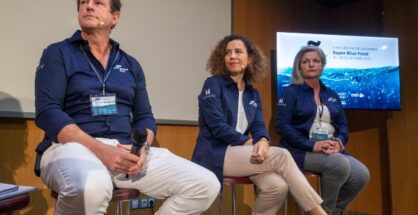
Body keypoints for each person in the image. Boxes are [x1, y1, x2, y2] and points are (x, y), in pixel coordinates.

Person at [34, 0, 220, 214]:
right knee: (92, 185)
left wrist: (142, 148)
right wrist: (101, 150)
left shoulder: (131, 65)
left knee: (204, 184)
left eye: (98, 3)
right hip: (70, 147)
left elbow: (145, 117)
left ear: (115, 17)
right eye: (83, 2)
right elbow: (48, 112)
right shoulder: (58, 53)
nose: (89, 6)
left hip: (122, 150)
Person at [191, 35, 326, 215]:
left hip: (245, 155)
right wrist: (251, 144)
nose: (232, 56)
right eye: (227, 53)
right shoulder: (213, 84)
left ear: (250, 59)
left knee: (277, 186)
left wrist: (262, 139)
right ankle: (318, 212)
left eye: (238, 52)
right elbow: (217, 126)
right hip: (216, 153)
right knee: (282, 155)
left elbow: (259, 125)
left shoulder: (253, 94)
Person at [275, 45, 370, 214]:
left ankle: (334, 210)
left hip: (331, 149)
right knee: (338, 164)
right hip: (299, 150)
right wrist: (313, 145)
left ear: (322, 65)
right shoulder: (290, 92)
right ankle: (321, 212)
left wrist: (339, 143)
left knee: (361, 174)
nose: (311, 65)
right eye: (305, 62)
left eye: (316, 61)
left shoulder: (331, 93)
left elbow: (343, 126)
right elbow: (282, 126)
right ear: (299, 67)